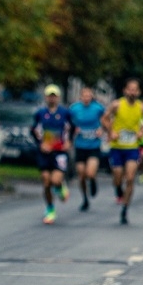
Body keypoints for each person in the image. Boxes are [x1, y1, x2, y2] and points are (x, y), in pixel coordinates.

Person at [101, 79, 143, 224]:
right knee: (117, 176)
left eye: (135, 90)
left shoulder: (142, 108)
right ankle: (118, 190)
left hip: (132, 147)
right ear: (125, 91)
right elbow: (104, 119)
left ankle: (125, 209)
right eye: (130, 89)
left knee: (131, 178)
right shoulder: (117, 105)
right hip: (117, 147)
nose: (132, 92)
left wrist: (142, 132)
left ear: (138, 92)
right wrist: (111, 132)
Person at [33, 85, 72, 224]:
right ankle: (50, 208)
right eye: (50, 95)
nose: (52, 98)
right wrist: (40, 144)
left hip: (60, 152)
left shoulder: (65, 113)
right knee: (46, 181)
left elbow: (73, 128)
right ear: (45, 97)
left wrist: (69, 142)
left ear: (58, 97)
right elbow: (34, 131)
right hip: (45, 152)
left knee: (55, 180)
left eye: (54, 95)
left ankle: (61, 186)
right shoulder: (40, 113)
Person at [69, 87, 104, 211]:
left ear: (92, 97)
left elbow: (106, 119)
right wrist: (73, 129)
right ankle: (85, 198)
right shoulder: (74, 109)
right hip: (80, 146)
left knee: (90, 172)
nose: (86, 98)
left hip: (94, 145)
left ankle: (93, 181)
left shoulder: (98, 108)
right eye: (84, 95)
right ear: (80, 97)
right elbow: (68, 122)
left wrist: (101, 129)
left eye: (89, 96)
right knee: (82, 175)